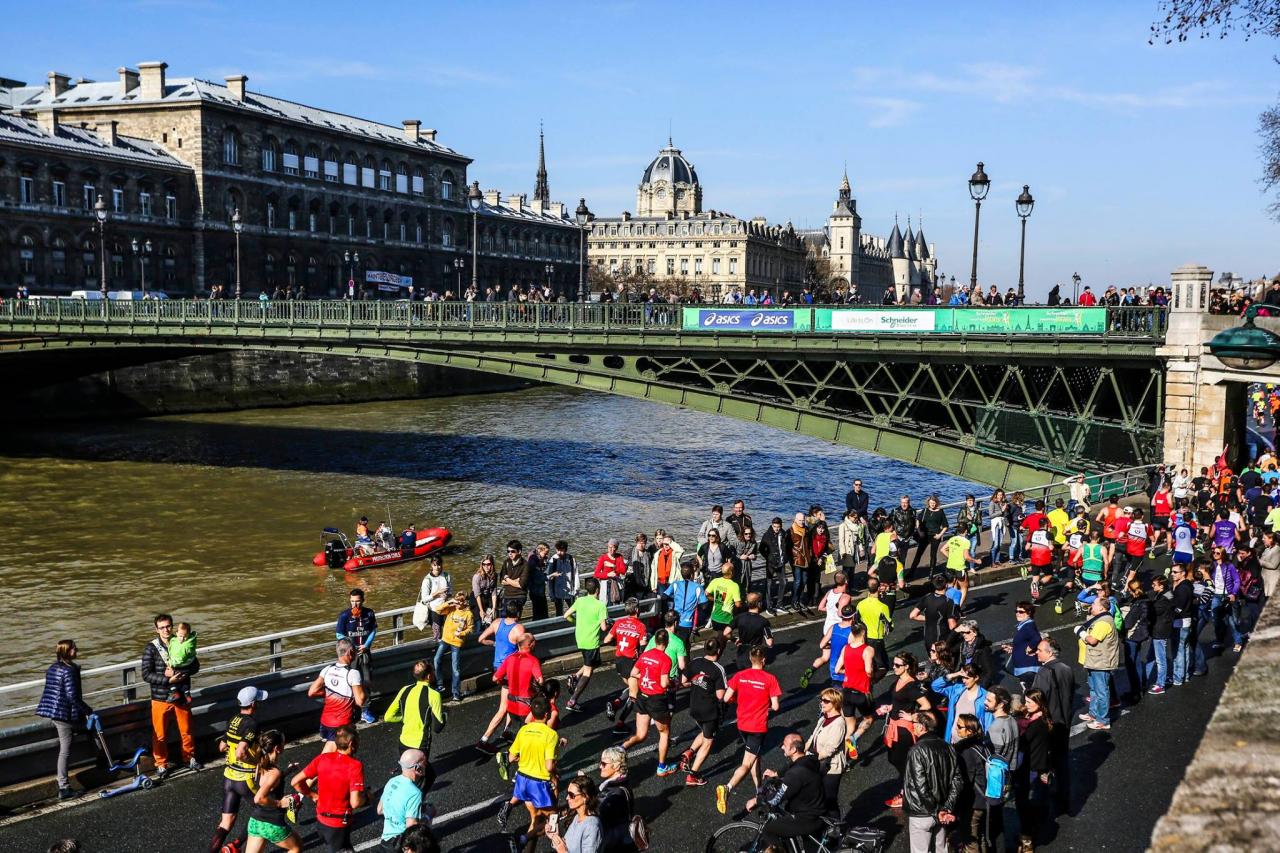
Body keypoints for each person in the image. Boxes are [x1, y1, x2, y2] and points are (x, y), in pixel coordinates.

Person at [716, 645, 782, 814]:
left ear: (751, 659)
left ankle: (759, 789)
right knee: (746, 763)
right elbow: (775, 706)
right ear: (764, 660)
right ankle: (727, 788)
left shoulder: (740, 676)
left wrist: (739, 701)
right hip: (757, 726)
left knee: (754, 756)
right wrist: (763, 706)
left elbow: (725, 697)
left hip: (742, 724)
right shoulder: (770, 678)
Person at [142, 613, 201, 779]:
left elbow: (195, 665)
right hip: (160, 697)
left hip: (181, 694)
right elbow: (146, 674)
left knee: (187, 730)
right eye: (162, 627)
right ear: (156, 629)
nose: (166, 630)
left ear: (172, 626)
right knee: (159, 734)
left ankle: (189, 758)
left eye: (168, 626)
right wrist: (168, 680)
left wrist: (183, 671)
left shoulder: (182, 640)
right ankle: (161, 764)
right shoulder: (151, 648)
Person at [211, 685, 269, 853]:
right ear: (252, 704)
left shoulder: (233, 720)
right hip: (244, 778)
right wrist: (257, 762)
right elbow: (240, 751)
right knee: (264, 810)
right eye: (257, 700)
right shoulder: (252, 724)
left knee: (226, 822)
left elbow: (222, 746)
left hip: (228, 776)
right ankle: (235, 845)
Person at [498, 694, 560, 851]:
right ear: (547, 715)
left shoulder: (524, 730)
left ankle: (524, 846)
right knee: (553, 817)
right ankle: (522, 839)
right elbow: (549, 767)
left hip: (522, 781)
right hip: (539, 784)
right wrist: (554, 777)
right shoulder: (551, 734)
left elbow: (511, 757)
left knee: (535, 818)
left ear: (532, 712)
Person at [291, 725, 367, 853]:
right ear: (351, 743)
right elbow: (355, 802)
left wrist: (313, 795)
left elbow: (295, 781)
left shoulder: (322, 759)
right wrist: (367, 797)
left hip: (321, 821)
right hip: (338, 825)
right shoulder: (355, 766)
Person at [743, 733, 826, 848]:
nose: (782, 747)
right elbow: (790, 767)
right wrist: (776, 775)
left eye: (785, 745)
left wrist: (757, 800)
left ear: (793, 750)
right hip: (816, 811)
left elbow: (776, 799)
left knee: (769, 831)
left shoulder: (796, 774)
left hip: (806, 818)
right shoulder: (809, 760)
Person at [36, 639, 92, 800]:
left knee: (67, 747)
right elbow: (72, 696)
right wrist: (88, 710)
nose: (77, 649)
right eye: (74, 648)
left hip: (56, 713)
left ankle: (64, 785)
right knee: (65, 750)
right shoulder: (69, 670)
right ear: (67, 651)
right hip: (66, 715)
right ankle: (64, 787)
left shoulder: (53, 668)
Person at [902, 711, 963, 853]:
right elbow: (957, 780)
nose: (912, 727)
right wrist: (946, 807)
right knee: (941, 849)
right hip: (942, 808)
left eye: (914, 724)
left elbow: (920, 785)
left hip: (922, 812)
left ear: (922, 727)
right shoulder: (948, 747)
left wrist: (936, 811)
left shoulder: (916, 750)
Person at [384, 661, 446, 795]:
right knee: (422, 779)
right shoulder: (434, 695)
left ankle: (401, 803)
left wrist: (404, 718)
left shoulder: (405, 690)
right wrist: (445, 715)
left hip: (403, 743)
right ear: (429, 676)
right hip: (420, 745)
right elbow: (438, 727)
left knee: (408, 777)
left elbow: (388, 716)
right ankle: (412, 807)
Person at [621, 629, 677, 776]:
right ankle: (662, 767)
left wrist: (647, 677)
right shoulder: (665, 659)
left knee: (641, 735)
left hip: (642, 698)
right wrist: (673, 683)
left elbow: (633, 673)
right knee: (664, 733)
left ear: (655, 641)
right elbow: (664, 683)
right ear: (667, 642)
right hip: (657, 700)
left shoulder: (645, 655)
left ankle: (621, 748)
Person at [1030, 637, 1074, 813]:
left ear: (1049, 652)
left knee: (1044, 761)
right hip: (1064, 721)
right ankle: (1064, 797)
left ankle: (1043, 801)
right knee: (1062, 761)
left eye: (1039, 650)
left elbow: (1036, 699)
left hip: (1048, 724)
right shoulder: (1067, 669)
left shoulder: (1043, 672)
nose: (1036, 653)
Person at [243, 730, 303, 853]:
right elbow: (258, 798)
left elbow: (268, 784)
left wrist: (286, 772)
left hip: (255, 822)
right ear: (277, 748)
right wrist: (280, 803)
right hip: (272, 824)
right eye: (283, 743)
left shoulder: (260, 764)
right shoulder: (274, 772)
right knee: (296, 848)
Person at [483, 631, 543, 755]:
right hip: (526, 708)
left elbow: (495, 678)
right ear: (531, 644)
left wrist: (508, 683)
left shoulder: (509, 658)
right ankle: (514, 756)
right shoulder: (533, 660)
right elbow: (540, 681)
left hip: (511, 706)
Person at [680, 635, 728, 787]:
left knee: (704, 730)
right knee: (708, 741)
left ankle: (689, 752)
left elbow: (683, 681)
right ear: (718, 651)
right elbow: (721, 695)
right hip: (709, 710)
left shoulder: (695, 662)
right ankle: (693, 775)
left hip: (694, 707)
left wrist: (696, 682)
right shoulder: (718, 669)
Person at [307, 639, 367, 753]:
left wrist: (329, 694)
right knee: (342, 755)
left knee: (331, 754)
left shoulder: (327, 669)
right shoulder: (353, 673)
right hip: (342, 725)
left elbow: (312, 692)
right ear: (349, 652)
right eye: (354, 651)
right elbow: (360, 701)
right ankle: (316, 770)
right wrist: (363, 691)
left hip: (325, 723)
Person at [1014, 690, 1054, 853]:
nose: (1026, 704)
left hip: (1031, 767)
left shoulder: (1035, 725)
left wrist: (1017, 720)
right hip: (1039, 766)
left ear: (1040, 704)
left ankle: (1027, 840)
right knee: (1033, 802)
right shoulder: (1044, 719)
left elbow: (1022, 739)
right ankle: (1030, 832)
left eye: (1030, 702)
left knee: (1024, 804)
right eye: (1026, 701)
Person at [603, 598, 649, 735]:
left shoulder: (619, 622)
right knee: (634, 695)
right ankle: (620, 723)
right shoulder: (641, 626)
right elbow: (643, 647)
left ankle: (615, 704)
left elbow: (606, 640)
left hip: (619, 661)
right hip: (631, 662)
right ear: (637, 610)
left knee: (632, 687)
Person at [834, 620, 877, 760]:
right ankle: (854, 738)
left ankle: (844, 760)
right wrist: (870, 676)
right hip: (861, 692)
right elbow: (868, 670)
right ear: (864, 632)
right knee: (869, 719)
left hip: (846, 692)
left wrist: (849, 672)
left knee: (849, 724)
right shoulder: (868, 649)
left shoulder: (845, 648)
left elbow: (837, 669)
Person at [565, 578, 610, 712]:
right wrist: (609, 624)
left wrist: (576, 622)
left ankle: (574, 676)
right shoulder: (600, 605)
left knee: (593, 663)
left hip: (580, 638)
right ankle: (573, 701)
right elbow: (603, 628)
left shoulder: (580, 601)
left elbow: (566, 615)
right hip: (592, 641)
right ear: (597, 590)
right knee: (589, 671)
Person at [1077, 596, 1119, 731]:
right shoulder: (1100, 619)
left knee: (1101, 692)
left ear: (1101, 607)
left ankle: (1103, 720)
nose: (1091, 606)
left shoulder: (1103, 623)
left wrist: (1081, 633)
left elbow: (1093, 640)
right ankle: (1093, 714)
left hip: (1101, 662)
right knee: (1094, 690)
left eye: (1093, 604)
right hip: (1094, 661)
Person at [336, 589, 378, 724]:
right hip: (350, 656)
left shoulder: (369, 613)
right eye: (353, 601)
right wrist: (351, 646)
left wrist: (367, 644)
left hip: (364, 654)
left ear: (363, 600)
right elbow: (339, 635)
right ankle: (350, 710)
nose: (355, 604)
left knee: (366, 682)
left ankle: (366, 710)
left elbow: (373, 630)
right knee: (349, 682)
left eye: (358, 601)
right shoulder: (344, 616)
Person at [804, 689, 848, 816]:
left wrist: (812, 758)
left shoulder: (839, 723)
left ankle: (835, 828)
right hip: (818, 764)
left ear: (834, 703)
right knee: (818, 798)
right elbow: (813, 735)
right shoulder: (823, 718)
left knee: (830, 800)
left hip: (831, 768)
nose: (821, 703)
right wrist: (805, 749)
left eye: (825, 701)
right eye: (821, 699)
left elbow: (830, 749)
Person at [377, 749, 427, 852]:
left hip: (385, 842)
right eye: (424, 763)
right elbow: (411, 827)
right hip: (401, 845)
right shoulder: (415, 793)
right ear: (417, 768)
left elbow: (380, 810)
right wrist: (427, 817)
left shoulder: (392, 781)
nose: (426, 766)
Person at [433, 592, 473, 702]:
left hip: (456, 642)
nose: (458, 603)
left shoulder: (468, 614)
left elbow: (470, 629)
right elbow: (438, 610)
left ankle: (456, 692)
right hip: (445, 639)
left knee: (455, 668)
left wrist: (461, 634)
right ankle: (440, 684)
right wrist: (449, 602)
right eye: (457, 600)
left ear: (464, 602)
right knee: (436, 659)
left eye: (460, 601)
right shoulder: (451, 608)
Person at [547, 776, 602, 853]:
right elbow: (568, 846)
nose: (567, 798)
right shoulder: (576, 817)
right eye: (567, 793)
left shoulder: (592, 827)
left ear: (585, 797)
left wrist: (563, 852)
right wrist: (555, 837)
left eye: (571, 795)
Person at [596, 747, 636, 853]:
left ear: (617, 766)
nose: (600, 766)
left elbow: (597, 816)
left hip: (613, 845)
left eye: (604, 763)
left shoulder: (615, 794)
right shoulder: (623, 784)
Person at [910, 576, 959, 654]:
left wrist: (930, 618)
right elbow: (952, 625)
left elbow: (912, 615)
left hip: (928, 637)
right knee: (944, 661)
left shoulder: (927, 597)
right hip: (942, 639)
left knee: (932, 658)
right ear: (946, 585)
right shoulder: (949, 602)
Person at [727, 592, 774, 671]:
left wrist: (734, 639)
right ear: (759, 604)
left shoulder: (739, 617)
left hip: (741, 654)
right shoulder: (763, 621)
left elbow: (726, 633)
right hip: (755, 655)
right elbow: (769, 643)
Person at [1002, 602, 1042, 689]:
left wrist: (1030, 648)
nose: (1017, 613)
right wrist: (1013, 649)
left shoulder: (1028, 626)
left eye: (1021, 612)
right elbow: (1024, 643)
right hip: (1024, 668)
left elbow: (1036, 638)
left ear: (1029, 613)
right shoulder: (1024, 626)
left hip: (1028, 669)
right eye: (1016, 611)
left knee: (1030, 695)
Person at [758, 517, 792, 613]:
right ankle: (769, 606)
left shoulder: (784, 534)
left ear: (781, 526)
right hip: (771, 564)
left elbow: (788, 547)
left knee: (783, 582)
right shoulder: (767, 535)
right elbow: (761, 549)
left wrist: (785, 558)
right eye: (774, 526)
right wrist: (768, 558)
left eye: (778, 527)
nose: (776, 528)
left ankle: (779, 604)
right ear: (772, 525)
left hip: (781, 563)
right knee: (769, 584)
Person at [705, 560, 743, 634]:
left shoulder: (715, 581)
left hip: (714, 617)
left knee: (718, 637)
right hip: (726, 618)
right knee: (724, 637)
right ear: (732, 572)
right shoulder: (734, 585)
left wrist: (714, 599)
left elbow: (706, 594)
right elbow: (738, 604)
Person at [419, 558, 451, 641]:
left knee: (449, 633)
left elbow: (450, 591)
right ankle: (438, 651)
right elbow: (424, 599)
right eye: (435, 565)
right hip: (434, 610)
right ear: (431, 566)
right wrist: (437, 593)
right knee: (437, 636)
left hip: (446, 608)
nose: (437, 567)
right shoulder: (427, 580)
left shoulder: (447, 576)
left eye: (439, 564)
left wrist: (447, 595)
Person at [166, 622, 199, 703]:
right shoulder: (174, 640)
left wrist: (172, 663)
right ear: (176, 633)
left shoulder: (187, 645)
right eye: (180, 636)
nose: (182, 638)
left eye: (185, 636)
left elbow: (182, 658)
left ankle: (175, 692)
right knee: (184, 679)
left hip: (179, 665)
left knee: (178, 677)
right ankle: (186, 693)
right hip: (184, 666)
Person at [547, 541, 579, 617]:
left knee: (573, 610)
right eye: (558, 550)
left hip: (570, 591)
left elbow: (576, 574)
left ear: (565, 550)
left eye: (561, 550)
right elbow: (550, 578)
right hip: (557, 591)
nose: (559, 552)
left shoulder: (571, 559)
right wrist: (551, 594)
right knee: (559, 612)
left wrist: (576, 589)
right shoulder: (553, 560)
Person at [502, 540, 531, 615]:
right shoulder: (506, 562)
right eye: (508, 551)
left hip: (519, 595)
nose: (510, 553)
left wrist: (507, 579)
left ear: (519, 551)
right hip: (507, 595)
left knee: (514, 617)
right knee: (503, 617)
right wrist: (516, 580)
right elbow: (501, 581)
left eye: (512, 551)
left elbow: (521, 584)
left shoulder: (525, 565)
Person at [594, 539, 627, 605]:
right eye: (610, 547)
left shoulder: (619, 557)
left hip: (617, 584)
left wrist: (613, 566)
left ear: (616, 548)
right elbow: (596, 574)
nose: (611, 549)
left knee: (617, 603)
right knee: (607, 604)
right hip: (606, 585)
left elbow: (623, 571)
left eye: (613, 547)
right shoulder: (603, 558)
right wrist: (608, 574)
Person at [527, 543, 551, 621]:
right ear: (539, 550)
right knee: (538, 611)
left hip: (540, 589)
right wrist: (550, 576)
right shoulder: (533, 558)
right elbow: (534, 572)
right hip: (535, 590)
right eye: (545, 553)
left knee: (543, 610)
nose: (546, 555)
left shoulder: (542, 559)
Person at [472, 556, 500, 625]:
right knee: (479, 619)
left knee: (494, 615)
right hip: (477, 598)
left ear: (492, 564)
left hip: (487, 597)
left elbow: (494, 591)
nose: (486, 566)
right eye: (484, 564)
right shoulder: (477, 576)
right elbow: (477, 595)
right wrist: (481, 610)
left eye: (488, 564)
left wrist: (494, 607)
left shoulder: (494, 575)